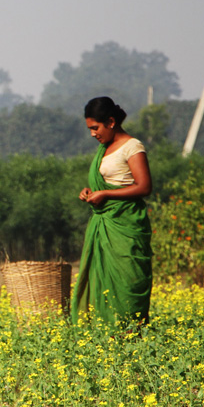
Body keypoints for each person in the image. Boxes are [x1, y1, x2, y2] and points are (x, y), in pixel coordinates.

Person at [70, 96, 153, 327]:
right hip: (104, 223)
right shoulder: (104, 150)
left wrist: (106, 194)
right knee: (101, 283)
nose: (92, 134)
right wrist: (90, 192)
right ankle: (103, 336)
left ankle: (129, 336)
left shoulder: (132, 147)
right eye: (89, 129)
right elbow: (106, 182)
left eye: (95, 128)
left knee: (128, 282)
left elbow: (144, 187)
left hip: (125, 226)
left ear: (111, 122)